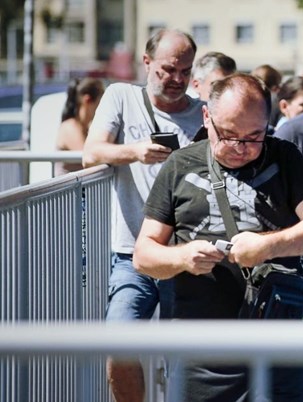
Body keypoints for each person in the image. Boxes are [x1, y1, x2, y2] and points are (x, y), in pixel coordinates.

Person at [133, 73, 303, 402]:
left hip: (279, 344)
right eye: (229, 135)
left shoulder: (285, 158)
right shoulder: (179, 165)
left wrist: (267, 246)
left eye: (254, 137)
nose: (241, 149)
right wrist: (183, 258)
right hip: (201, 352)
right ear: (206, 117)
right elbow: (143, 255)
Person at [82, 28, 203, 402]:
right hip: (130, 254)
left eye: (185, 71)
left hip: (184, 256)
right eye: (169, 69)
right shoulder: (121, 96)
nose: (177, 79)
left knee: (184, 359)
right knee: (118, 344)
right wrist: (134, 151)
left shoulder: (204, 113)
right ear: (147, 63)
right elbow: (92, 152)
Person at [55, 77, 105, 176]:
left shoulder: (86, 127)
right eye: (101, 103)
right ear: (87, 100)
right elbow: (91, 158)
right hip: (70, 190)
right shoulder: (70, 127)